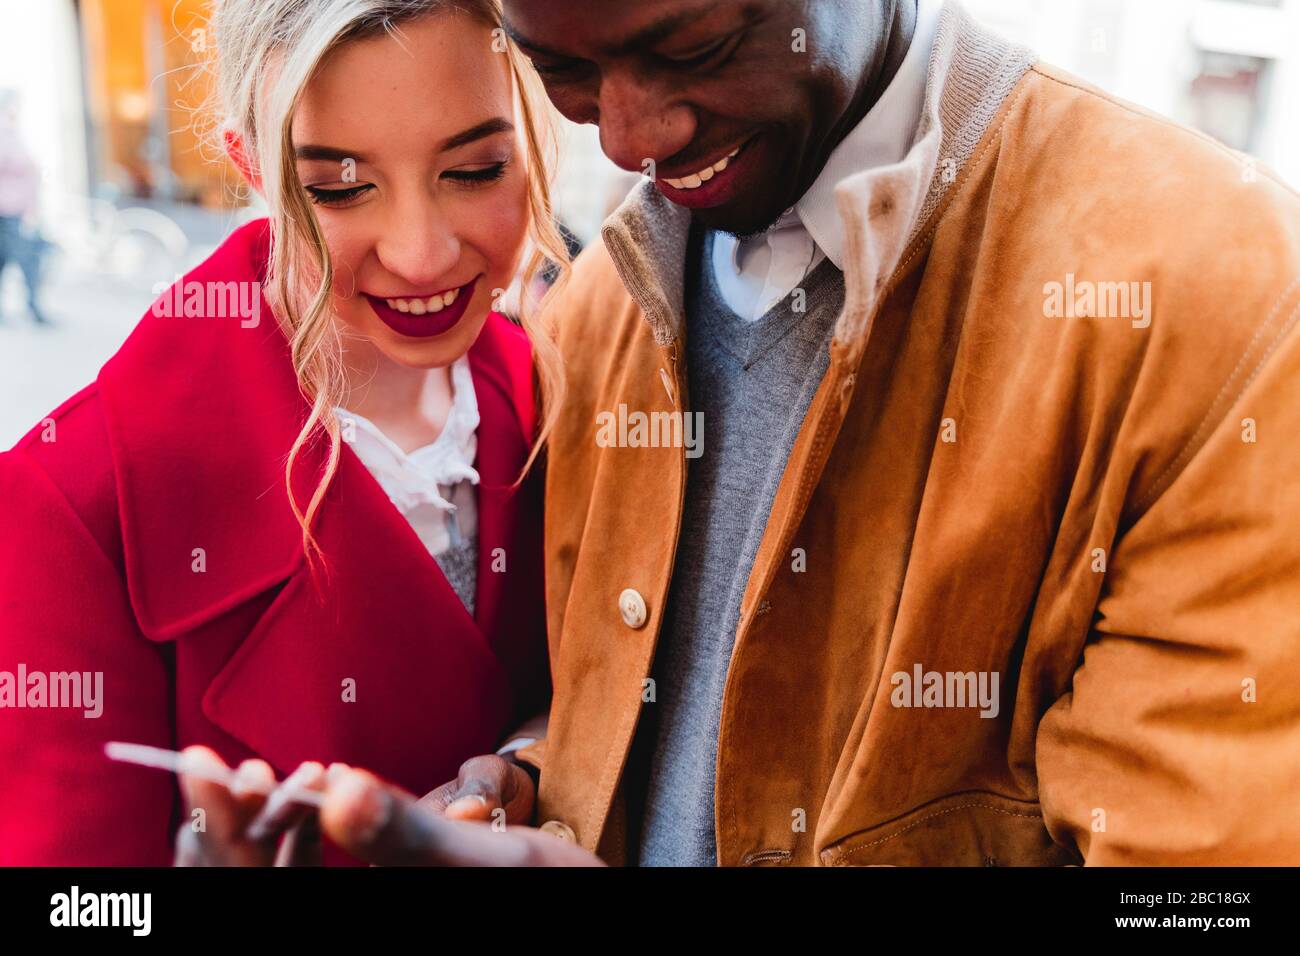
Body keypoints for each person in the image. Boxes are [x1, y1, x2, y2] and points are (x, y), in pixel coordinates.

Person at [186, 0, 1300, 868]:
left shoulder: (1218, 290)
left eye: (695, 47)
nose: (628, 138)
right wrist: (532, 775)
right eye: (563, 69)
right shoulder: (588, 312)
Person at [0, 0, 567, 865]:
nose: (421, 255)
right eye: (339, 187)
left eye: (477, 169)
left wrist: (529, 761)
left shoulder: (557, 389)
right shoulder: (70, 501)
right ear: (249, 165)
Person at [0, 90, 46, 325]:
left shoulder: (16, 134)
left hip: (18, 210)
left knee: (8, 259)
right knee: (27, 257)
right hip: (7, 211)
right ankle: (33, 307)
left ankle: (31, 306)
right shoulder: (5, 135)